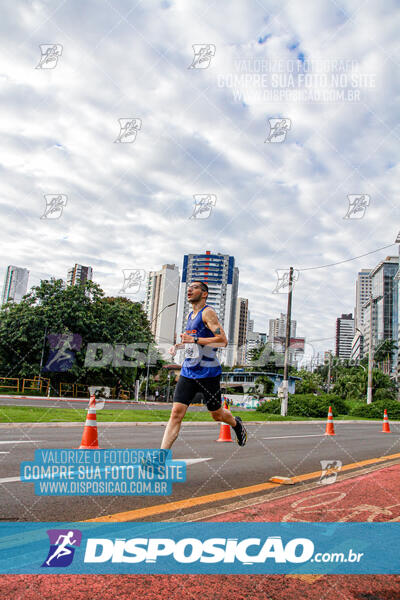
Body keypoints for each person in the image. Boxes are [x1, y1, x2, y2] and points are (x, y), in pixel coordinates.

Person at [160, 280, 247, 449]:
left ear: (204, 294)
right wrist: (177, 346)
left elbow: (223, 341)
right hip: (188, 371)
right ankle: (161, 458)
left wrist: (194, 339)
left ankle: (236, 424)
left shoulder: (208, 313)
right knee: (176, 414)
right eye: (189, 287)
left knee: (216, 414)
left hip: (208, 374)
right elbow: (192, 342)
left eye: (195, 287)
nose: (190, 289)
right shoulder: (189, 316)